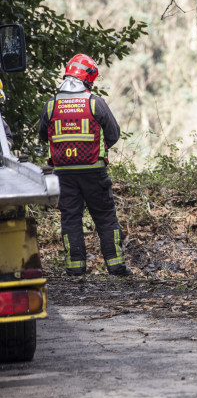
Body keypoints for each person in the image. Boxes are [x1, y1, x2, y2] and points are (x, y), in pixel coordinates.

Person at [38, 54, 131, 276]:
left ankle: (75, 269)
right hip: (94, 171)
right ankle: (116, 266)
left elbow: (44, 136)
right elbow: (114, 134)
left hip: (63, 174)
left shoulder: (51, 105)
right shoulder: (95, 103)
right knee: (105, 217)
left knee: (70, 218)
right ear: (88, 79)